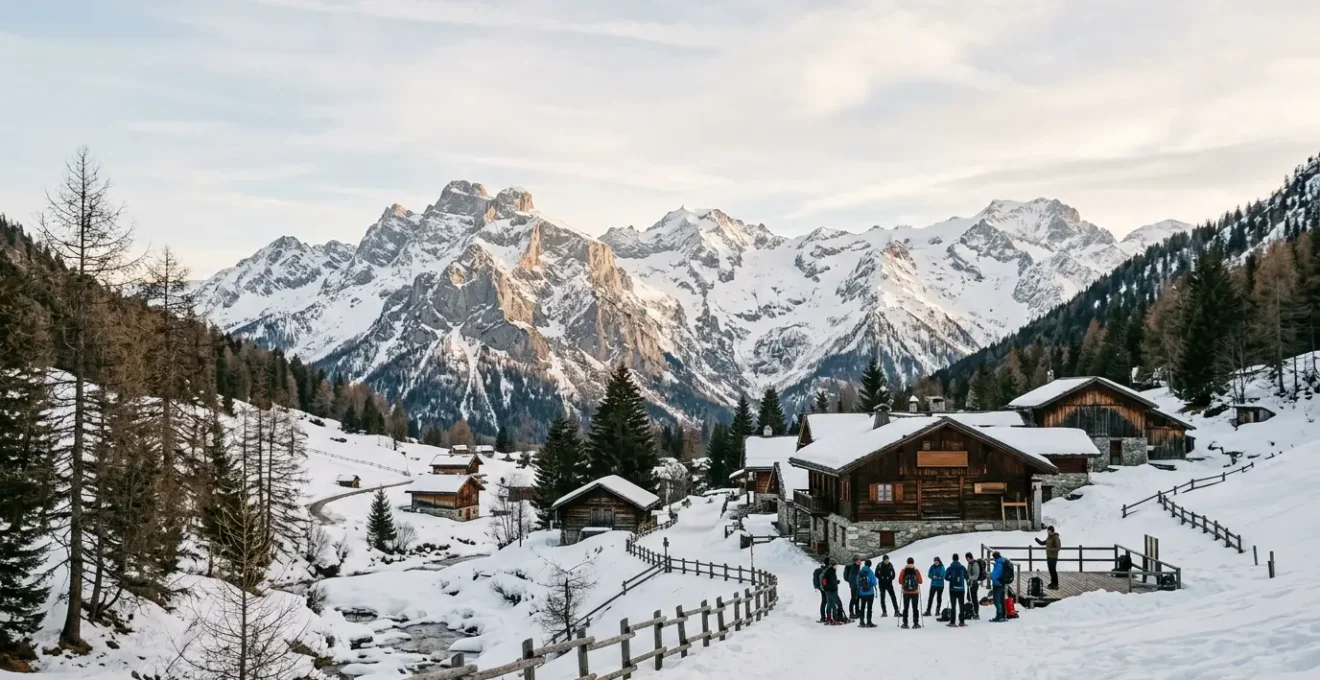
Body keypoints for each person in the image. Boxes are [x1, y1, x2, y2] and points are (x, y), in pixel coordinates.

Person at [944, 553, 968, 627]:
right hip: (961, 589)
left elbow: (946, 577)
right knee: (961, 605)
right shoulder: (962, 567)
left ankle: (953, 622)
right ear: (958, 559)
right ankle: (962, 621)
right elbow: (967, 576)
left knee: (953, 606)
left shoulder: (950, 568)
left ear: (953, 559)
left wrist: (951, 578)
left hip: (952, 589)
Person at [899, 557, 924, 629]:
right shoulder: (916, 571)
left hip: (906, 592)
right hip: (915, 592)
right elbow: (920, 581)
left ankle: (905, 623)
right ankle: (916, 623)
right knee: (915, 608)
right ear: (913, 562)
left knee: (905, 608)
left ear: (907, 562)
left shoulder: (903, 571)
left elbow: (900, 581)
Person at [821, 558, 847, 624]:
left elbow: (831, 581)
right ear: (832, 565)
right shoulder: (828, 572)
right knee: (838, 603)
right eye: (835, 565)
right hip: (831, 591)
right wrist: (827, 588)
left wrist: (836, 582)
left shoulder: (832, 571)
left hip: (833, 590)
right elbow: (824, 581)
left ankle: (829, 618)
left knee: (830, 604)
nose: (836, 566)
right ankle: (839, 617)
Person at [857, 559, 878, 627]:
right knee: (869, 608)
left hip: (862, 593)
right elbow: (874, 582)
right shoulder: (870, 572)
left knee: (862, 608)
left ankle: (862, 622)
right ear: (870, 565)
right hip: (870, 593)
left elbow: (857, 582)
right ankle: (869, 622)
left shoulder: (860, 572)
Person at [989, 551, 1008, 622]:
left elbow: (994, 576)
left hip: (998, 584)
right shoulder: (1003, 562)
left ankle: (999, 616)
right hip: (1002, 583)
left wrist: (989, 575)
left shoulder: (999, 564)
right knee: (1001, 600)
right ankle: (1003, 615)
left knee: (997, 601)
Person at [965, 552, 983, 620]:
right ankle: (971, 611)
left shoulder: (975, 564)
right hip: (970, 583)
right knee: (969, 597)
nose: (968, 560)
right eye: (967, 559)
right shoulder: (970, 564)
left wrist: (969, 577)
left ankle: (976, 613)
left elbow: (976, 576)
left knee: (974, 598)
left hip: (974, 584)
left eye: (969, 558)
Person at [844, 555, 862, 619]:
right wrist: (854, 584)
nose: (860, 561)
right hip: (854, 586)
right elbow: (852, 577)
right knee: (854, 598)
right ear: (856, 561)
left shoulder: (857, 567)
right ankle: (851, 613)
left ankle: (857, 612)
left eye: (860, 560)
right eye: (859, 560)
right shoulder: (854, 568)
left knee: (857, 598)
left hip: (857, 586)